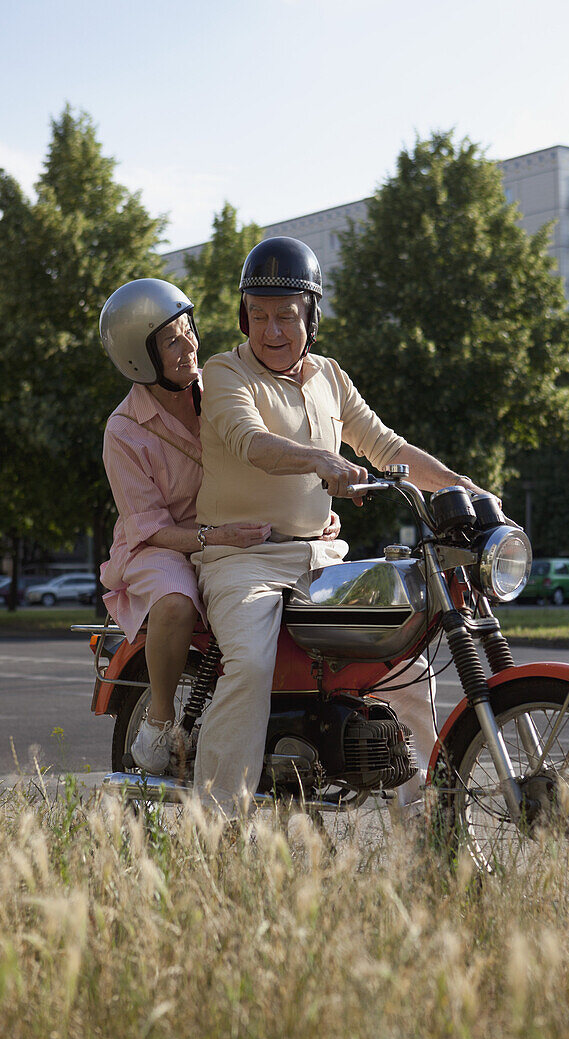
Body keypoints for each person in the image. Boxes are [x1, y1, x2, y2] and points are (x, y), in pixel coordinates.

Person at [191, 237, 496, 818]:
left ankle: (425, 834)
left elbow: (386, 445)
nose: (271, 329)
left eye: (286, 315)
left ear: (312, 316)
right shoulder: (224, 372)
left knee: (404, 666)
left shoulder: (330, 376)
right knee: (251, 666)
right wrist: (318, 459)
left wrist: (463, 484)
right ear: (243, 316)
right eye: (258, 314)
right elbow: (251, 443)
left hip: (323, 558)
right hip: (242, 560)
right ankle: (217, 828)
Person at [98, 278, 336, 773]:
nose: (189, 347)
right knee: (176, 601)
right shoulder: (123, 431)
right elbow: (147, 524)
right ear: (138, 357)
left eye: (189, 332)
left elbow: (261, 451)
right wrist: (213, 536)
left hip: (236, 531)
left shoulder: (219, 384)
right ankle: (161, 719)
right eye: (170, 341)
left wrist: (307, 506)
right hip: (161, 543)